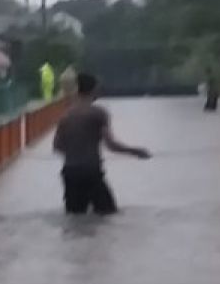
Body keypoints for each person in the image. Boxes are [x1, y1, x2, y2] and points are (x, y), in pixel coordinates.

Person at [53, 73, 151, 215]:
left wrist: (76, 151)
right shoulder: (98, 113)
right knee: (108, 214)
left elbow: (57, 146)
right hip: (91, 172)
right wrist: (136, 151)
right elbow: (111, 145)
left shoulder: (66, 115)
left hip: (69, 173)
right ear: (93, 90)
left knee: (75, 217)